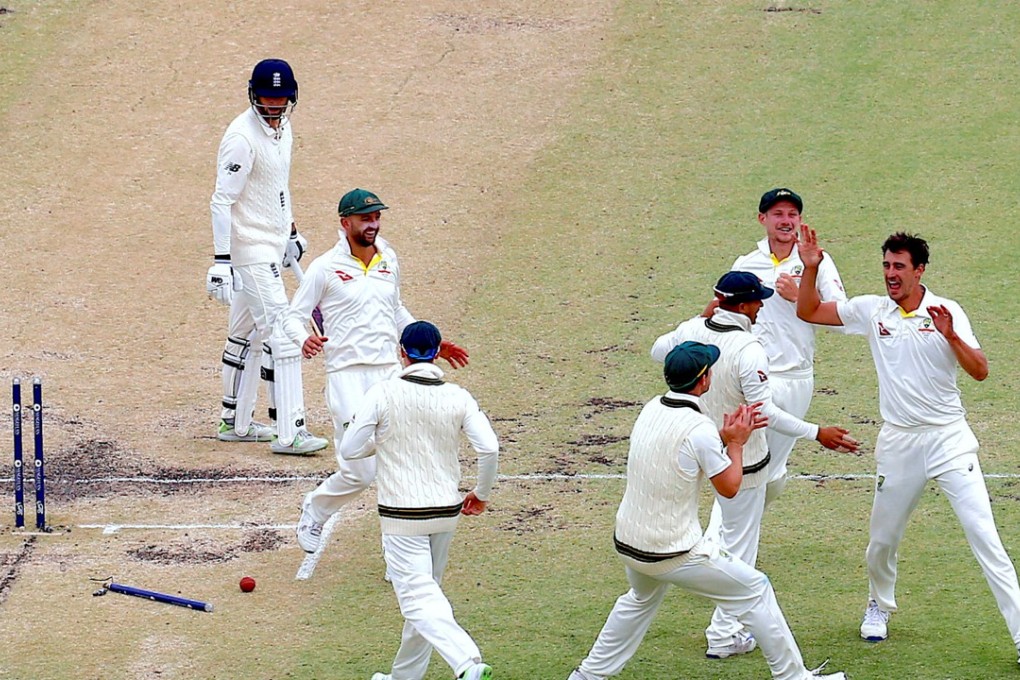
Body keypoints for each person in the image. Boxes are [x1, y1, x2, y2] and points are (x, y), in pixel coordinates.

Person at [796, 226, 1020, 660]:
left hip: (949, 441)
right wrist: (810, 268)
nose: (890, 274)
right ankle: (878, 604)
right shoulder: (871, 310)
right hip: (898, 444)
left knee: (985, 538)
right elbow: (808, 310)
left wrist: (950, 335)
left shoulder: (946, 311)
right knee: (882, 540)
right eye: (886, 266)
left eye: (899, 267)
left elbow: (980, 371)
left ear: (919, 270)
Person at [568, 341, 846, 680]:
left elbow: (685, 444)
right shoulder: (698, 429)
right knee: (755, 589)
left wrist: (724, 436)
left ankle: (586, 676)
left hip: (628, 542)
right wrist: (737, 443)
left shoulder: (652, 407)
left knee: (639, 599)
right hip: (673, 552)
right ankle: (794, 677)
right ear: (703, 380)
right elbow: (729, 488)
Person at [651, 271, 858, 659]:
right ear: (743, 305)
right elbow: (765, 413)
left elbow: (658, 351)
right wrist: (817, 432)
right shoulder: (749, 347)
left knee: (721, 535)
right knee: (741, 547)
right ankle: (725, 633)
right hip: (741, 459)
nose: (763, 306)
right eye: (757, 301)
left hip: (698, 451)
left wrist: (699, 322)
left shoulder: (692, 329)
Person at [281, 188, 469, 553]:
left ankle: (397, 546)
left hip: (388, 373)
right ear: (345, 222)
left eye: (377, 218)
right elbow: (294, 316)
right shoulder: (324, 268)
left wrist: (430, 344)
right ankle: (315, 510)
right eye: (366, 219)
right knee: (361, 469)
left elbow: (395, 310)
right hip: (347, 375)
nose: (373, 225)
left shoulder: (389, 259)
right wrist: (302, 339)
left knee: (398, 459)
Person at [339, 321, 497, 680]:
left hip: (402, 516)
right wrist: (482, 494)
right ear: (439, 351)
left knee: (418, 600)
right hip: (446, 512)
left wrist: (379, 440)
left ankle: (467, 663)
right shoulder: (459, 396)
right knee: (427, 598)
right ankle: (404, 677)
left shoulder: (382, 393)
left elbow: (350, 448)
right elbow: (489, 448)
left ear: (402, 352)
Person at [206, 57, 328, 455]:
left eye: (279, 99)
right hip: (249, 248)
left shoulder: (283, 129)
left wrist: (289, 230)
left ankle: (236, 424)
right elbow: (222, 200)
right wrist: (222, 260)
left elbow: (279, 185)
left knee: (246, 333)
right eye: (266, 98)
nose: (273, 106)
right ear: (253, 95)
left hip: (272, 244)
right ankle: (289, 432)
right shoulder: (241, 137)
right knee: (283, 330)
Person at [730, 188, 848, 507]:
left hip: (796, 378)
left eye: (792, 215)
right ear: (762, 219)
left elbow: (843, 315)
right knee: (745, 461)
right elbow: (726, 312)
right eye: (778, 214)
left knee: (770, 471)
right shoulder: (746, 263)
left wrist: (801, 296)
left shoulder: (816, 262)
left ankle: (737, 536)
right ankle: (720, 544)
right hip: (753, 376)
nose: (786, 221)